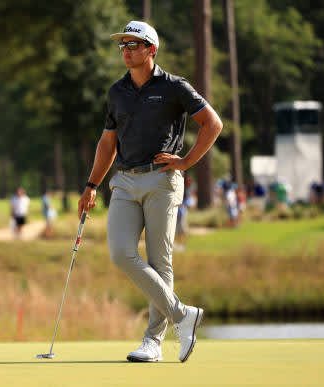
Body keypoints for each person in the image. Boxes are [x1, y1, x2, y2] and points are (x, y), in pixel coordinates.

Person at [77, 21, 222, 363]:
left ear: (151, 50)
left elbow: (212, 124)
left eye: (133, 44)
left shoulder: (174, 87)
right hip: (124, 182)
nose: (126, 50)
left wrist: (186, 162)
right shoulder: (116, 92)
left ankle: (152, 343)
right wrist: (92, 184)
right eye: (123, 45)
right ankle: (182, 315)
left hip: (162, 179)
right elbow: (108, 141)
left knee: (160, 261)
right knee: (120, 253)